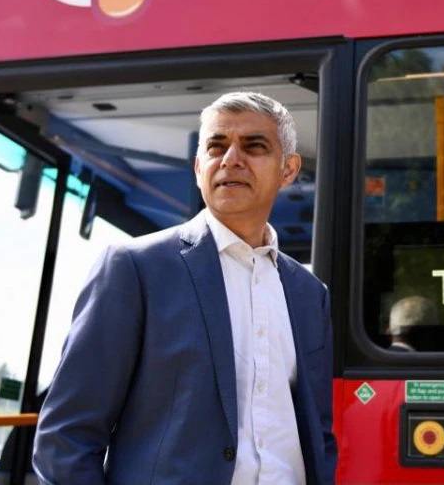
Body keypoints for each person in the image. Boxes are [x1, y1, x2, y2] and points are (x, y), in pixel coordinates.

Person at [33, 92, 336, 484]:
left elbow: (318, 434)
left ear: (288, 169)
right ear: (198, 167)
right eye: (216, 146)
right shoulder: (136, 268)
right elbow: (66, 438)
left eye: (254, 146)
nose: (230, 159)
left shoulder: (310, 294)